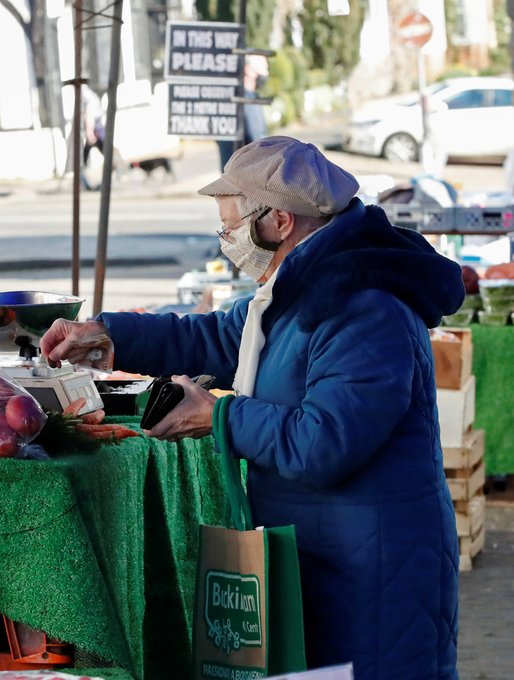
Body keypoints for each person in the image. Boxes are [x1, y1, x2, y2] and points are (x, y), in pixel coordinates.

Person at [41, 136, 463, 679]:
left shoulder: (363, 305)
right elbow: (220, 336)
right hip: (323, 548)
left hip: (376, 567)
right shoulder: (306, 282)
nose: (226, 239)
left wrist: (217, 416)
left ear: (280, 221)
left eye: (231, 225)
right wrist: (107, 335)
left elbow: (325, 443)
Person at [217, 55, 269, 171]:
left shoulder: (234, 98)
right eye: (264, 68)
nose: (266, 73)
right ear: (248, 69)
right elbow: (257, 139)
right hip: (247, 175)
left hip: (233, 174)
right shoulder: (246, 100)